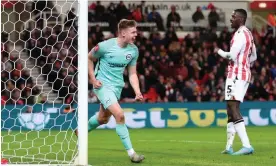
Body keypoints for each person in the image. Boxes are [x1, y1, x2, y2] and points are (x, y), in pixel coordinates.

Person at [75, 19, 145, 163]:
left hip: (117, 87)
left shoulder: (133, 50)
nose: (136, 34)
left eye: (136, 31)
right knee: (119, 115)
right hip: (102, 86)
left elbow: (132, 73)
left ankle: (81, 131)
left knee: (103, 118)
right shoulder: (105, 46)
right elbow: (89, 58)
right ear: (123, 33)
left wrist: (137, 91)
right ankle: (132, 154)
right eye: (133, 32)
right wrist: (93, 79)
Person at [214, 9, 257, 155]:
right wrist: (244, 64)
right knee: (230, 109)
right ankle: (229, 146)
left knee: (233, 107)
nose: (231, 19)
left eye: (233, 17)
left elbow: (231, 56)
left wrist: (218, 51)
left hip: (237, 75)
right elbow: (254, 56)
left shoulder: (240, 34)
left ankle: (247, 145)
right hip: (242, 74)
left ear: (241, 18)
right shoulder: (248, 34)